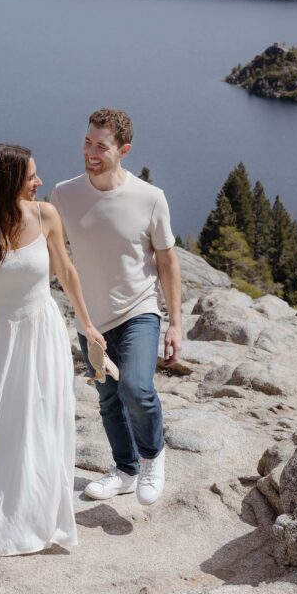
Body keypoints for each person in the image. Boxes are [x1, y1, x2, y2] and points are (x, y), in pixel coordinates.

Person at [0, 143, 105, 557]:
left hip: (41, 331)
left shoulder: (46, 215)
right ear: (9, 179)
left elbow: (66, 271)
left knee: (42, 418)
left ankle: (37, 507)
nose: (39, 182)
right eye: (32, 176)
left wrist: (87, 324)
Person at [50, 108, 182, 507]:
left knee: (136, 388)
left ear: (123, 149)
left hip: (139, 311)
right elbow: (54, 254)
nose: (91, 152)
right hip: (89, 320)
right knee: (107, 399)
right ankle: (125, 469)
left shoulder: (150, 198)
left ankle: (153, 456)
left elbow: (167, 262)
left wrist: (176, 324)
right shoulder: (63, 195)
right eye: (87, 142)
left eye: (101, 146)